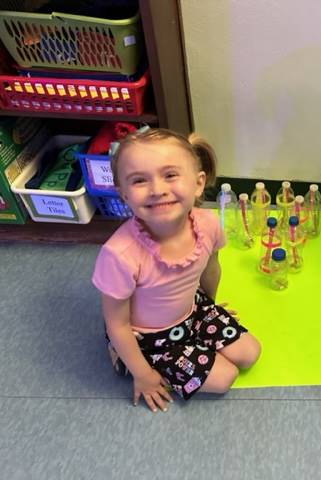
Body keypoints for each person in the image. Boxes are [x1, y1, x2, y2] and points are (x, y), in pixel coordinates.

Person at [92, 128, 261, 412]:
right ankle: (123, 358)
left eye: (170, 175)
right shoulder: (119, 255)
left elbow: (210, 269)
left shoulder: (207, 224)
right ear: (123, 194)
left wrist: (210, 305)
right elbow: (117, 323)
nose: (157, 189)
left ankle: (190, 336)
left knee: (250, 353)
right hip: (148, 338)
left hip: (192, 310)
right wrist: (144, 375)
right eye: (139, 180)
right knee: (224, 378)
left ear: (198, 183)